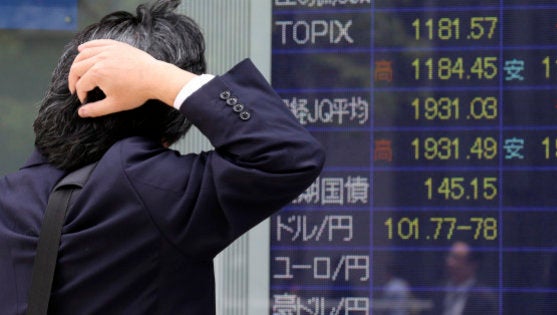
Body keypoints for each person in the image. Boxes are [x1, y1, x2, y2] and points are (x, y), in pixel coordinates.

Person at [0, 0, 325, 314]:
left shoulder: (10, 198)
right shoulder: (154, 190)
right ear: (169, 120)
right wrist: (163, 79)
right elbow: (288, 154)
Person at [429, 241, 498, 315]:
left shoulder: (485, 298)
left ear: (472, 265)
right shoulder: (438, 290)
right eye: (449, 256)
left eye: (455, 258)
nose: (449, 262)